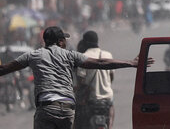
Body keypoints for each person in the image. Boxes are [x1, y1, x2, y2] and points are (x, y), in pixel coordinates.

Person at [0, 26, 151, 129]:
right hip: (67, 109)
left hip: (46, 108)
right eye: (64, 39)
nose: (66, 42)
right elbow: (100, 62)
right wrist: (130, 63)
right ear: (60, 42)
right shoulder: (70, 55)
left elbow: (5, 69)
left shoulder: (33, 55)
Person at [74, 31, 115, 129]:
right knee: (111, 108)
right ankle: (109, 126)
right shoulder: (107, 55)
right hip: (107, 98)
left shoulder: (83, 57)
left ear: (85, 42)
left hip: (91, 99)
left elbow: (81, 80)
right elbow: (111, 76)